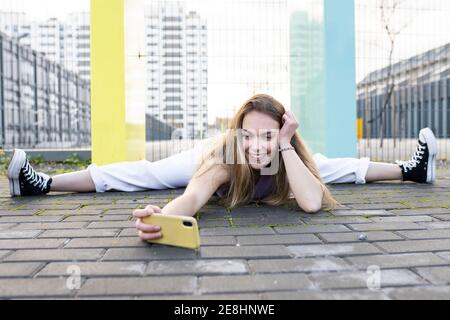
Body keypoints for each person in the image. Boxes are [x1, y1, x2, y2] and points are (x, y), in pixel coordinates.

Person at [7, 94, 438, 241]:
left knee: (335, 166)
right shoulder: (227, 159)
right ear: (237, 134)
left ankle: (412, 170)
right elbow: (193, 197)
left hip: (295, 155)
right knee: (146, 173)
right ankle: (43, 184)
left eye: (266, 136)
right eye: (247, 134)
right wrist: (165, 217)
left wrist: (285, 146)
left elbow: (310, 204)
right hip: (206, 160)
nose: (255, 146)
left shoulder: (289, 154)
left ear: (282, 133)